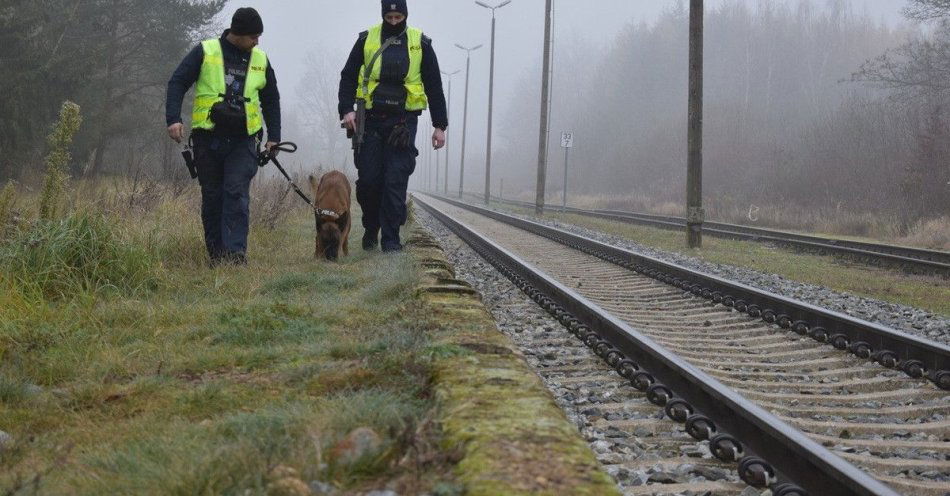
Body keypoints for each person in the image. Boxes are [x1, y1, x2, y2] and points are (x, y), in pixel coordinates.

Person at [166, 7, 282, 266]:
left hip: (244, 140)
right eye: (253, 36)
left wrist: (274, 136)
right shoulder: (206, 51)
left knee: (236, 192)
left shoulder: (261, 59)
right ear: (237, 33)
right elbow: (177, 82)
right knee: (213, 196)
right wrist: (173, 118)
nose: (257, 41)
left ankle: (234, 257)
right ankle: (216, 256)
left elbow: (271, 100)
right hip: (208, 139)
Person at [338, 0, 448, 252]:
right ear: (383, 15)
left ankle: (391, 241)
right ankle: (371, 227)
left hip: (403, 122)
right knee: (369, 181)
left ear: (405, 15)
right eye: (390, 17)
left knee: (395, 180)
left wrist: (439, 125)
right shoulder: (366, 39)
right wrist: (346, 110)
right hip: (371, 121)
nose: (395, 21)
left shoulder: (420, 43)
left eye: (399, 16)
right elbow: (348, 75)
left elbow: (434, 85)